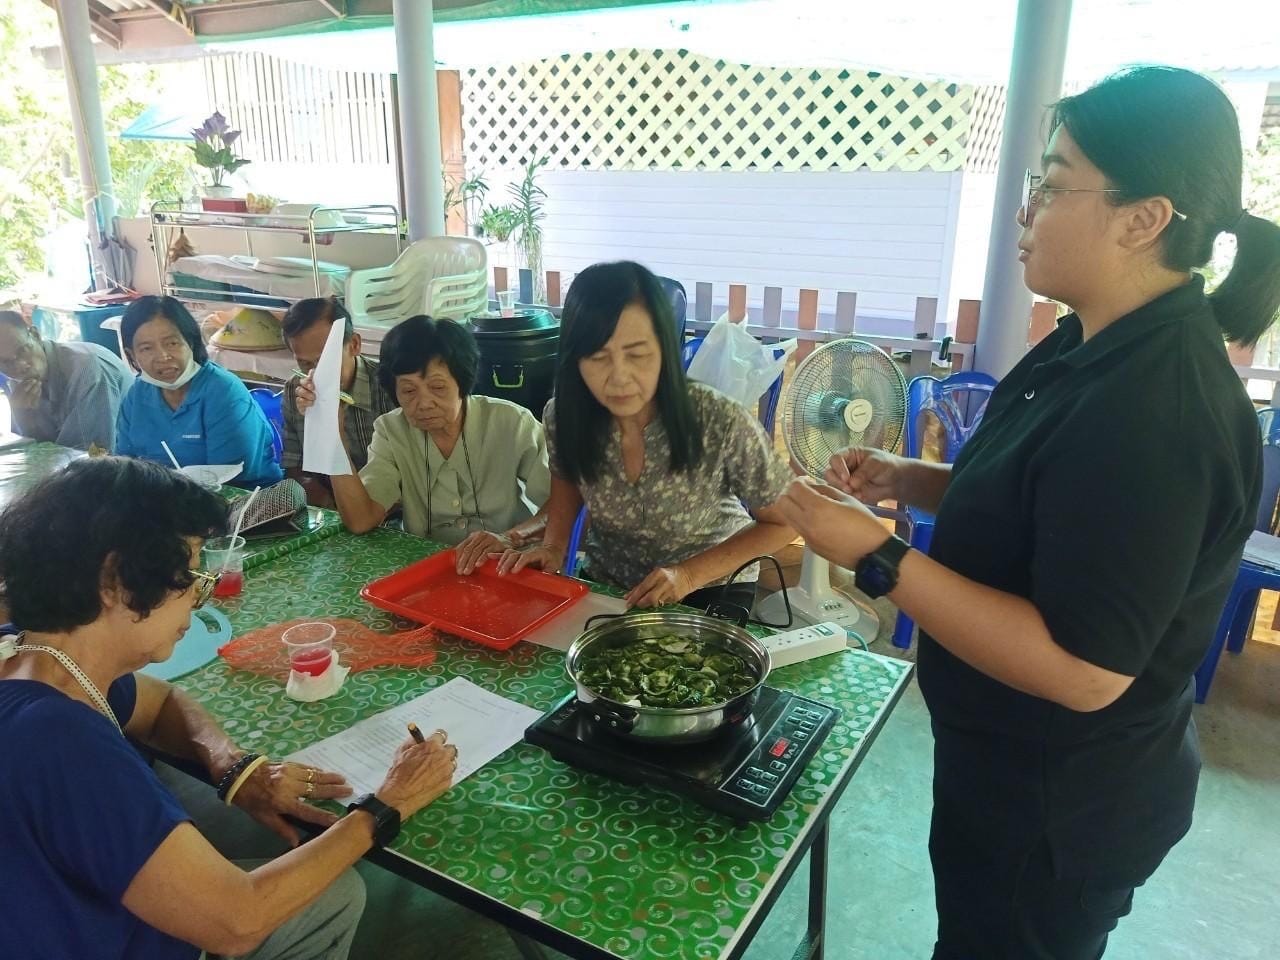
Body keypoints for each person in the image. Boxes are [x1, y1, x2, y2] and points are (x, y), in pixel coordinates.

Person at [776, 66, 1280, 959]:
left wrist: (877, 557)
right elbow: (1043, 497)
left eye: (1052, 185)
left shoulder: (1155, 412)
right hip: (1005, 766)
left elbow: (1085, 670)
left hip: (1060, 807)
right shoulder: (1089, 341)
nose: (1025, 211)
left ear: (1143, 219)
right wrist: (909, 479)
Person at [0, 456, 457, 960]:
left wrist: (232, 764)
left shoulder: (32, 656)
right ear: (114, 581)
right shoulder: (63, 743)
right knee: (335, 892)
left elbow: (159, 702)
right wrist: (385, 806)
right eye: (189, 573)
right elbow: (237, 921)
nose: (200, 596)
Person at [502, 261, 796, 610]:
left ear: (664, 350)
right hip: (614, 582)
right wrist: (553, 547)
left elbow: (786, 522)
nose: (619, 376)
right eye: (597, 357)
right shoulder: (565, 416)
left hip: (711, 584)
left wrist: (688, 576)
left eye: (638, 354)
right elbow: (568, 491)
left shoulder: (717, 418)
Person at [295, 314, 551, 564]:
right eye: (408, 390)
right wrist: (332, 434)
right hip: (431, 568)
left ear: (462, 383)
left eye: (438, 387)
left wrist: (511, 537)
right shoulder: (391, 431)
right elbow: (361, 520)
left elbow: (562, 507)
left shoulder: (511, 422)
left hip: (507, 564)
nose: (424, 403)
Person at [114, 296, 283, 488]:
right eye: (146, 348)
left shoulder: (223, 392)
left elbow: (227, 480)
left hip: (240, 498)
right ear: (132, 355)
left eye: (172, 343)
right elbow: (125, 466)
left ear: (191, 342)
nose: (162, 356)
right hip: (162, 496)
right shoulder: (137, 395)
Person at [280, 297, 396, 508]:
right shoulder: (296, 390)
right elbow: (294, 468)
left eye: (326, 360)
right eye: (305, 363)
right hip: (331, 508)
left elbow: (408, 475)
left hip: (386, 506)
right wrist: (330, 505)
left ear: (354, 345)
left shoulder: (390, 386)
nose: (316, 373)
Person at [0, 310, 131, 451]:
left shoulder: (86, 370)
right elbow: (28, 451)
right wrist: (24, 417)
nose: (19, 366)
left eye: (23, 350)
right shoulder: (18, 381)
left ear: (36, 335)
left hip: (132, 458)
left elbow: (90, 454)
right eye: (5, 362)